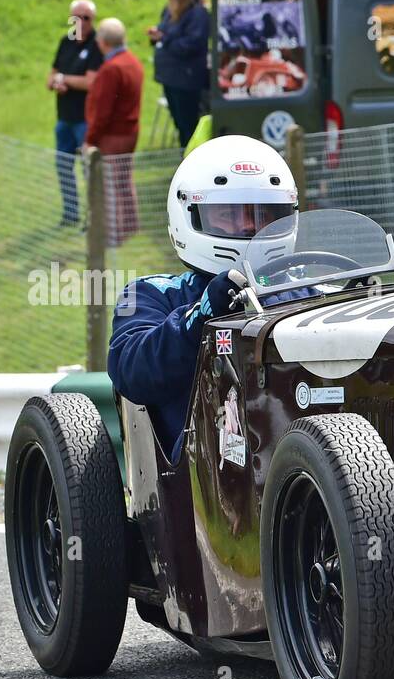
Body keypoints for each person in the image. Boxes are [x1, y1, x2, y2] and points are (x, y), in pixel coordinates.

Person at [108, 136, 299, 463]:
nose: (251, 227)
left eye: (266, 215)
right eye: (230, 215)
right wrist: (200, 317)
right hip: (206, 466)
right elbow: (131, 372)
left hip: (315, 453)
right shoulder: (154, 294)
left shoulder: (306, 291)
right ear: (189, 213)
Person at [84, 18, 144, 246]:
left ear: (103, 42)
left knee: (109, 186)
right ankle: (130, 226)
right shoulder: (133, 62)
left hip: (113, 135)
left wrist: (90, 139)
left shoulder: (111, 69)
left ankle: (115, 234)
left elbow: (102, 110)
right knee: (124, 181)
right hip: (130, 132)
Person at [49, 0, 103, 226]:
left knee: (89, 170)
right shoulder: (66, 41)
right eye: (77, 17)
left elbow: (91, 82)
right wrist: (57, 83)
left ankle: (93, 218)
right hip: (64, 118)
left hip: (85, 119)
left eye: (86, 17)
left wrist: (64, 79)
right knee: (63, 167)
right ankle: (70, 213)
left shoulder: (97, 45)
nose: (81, 22)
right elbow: (50, 76)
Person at [148, 0, 211, 148]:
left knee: (188, 125)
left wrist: (165, 39)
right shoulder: (169, 11)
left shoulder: (198, 14)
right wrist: (156, 36)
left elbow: (191, 45)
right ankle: (184, 155)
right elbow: (164, 30)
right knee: (179, 124)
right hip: (169, 78)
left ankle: (191, 158)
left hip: (186, 80)